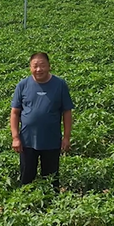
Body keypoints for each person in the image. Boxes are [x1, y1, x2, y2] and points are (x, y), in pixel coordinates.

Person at [10, 52, 74, 187]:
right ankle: (26, 205)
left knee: (51, 179)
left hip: (51, 141)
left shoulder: (60, 84)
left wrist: (67, 137)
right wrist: (15, 137)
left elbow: (67, 112)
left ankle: (51, 205)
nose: (39, 69)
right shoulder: (23, 85)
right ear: (30, 67)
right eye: (35, 66)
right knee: (27, 178)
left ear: (49, 66)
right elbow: (15, 112)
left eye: (42, 65)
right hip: (27, 141)